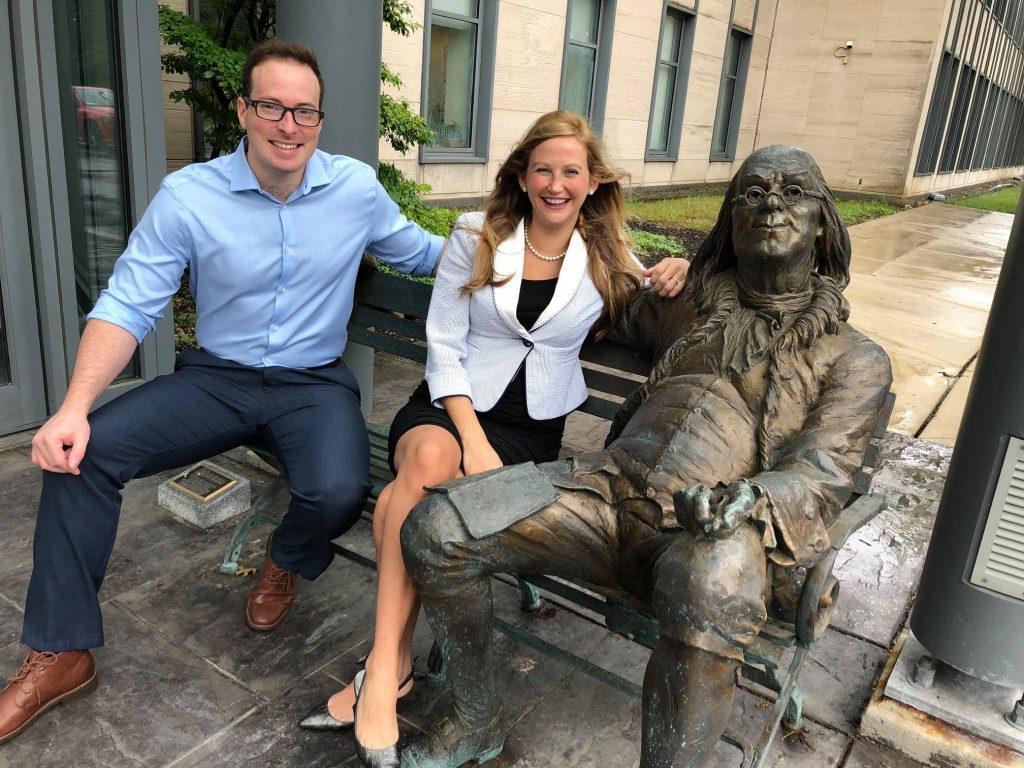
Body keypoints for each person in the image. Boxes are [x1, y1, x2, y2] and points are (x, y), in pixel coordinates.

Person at [0, 38, 444, 746]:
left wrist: (553, 248)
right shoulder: (190, 195)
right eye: (271, 106)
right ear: (243, 109)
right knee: (83, 455)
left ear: (320, 121)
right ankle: (63, 652)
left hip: (311, 385)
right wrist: (73, 408)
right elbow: (127, 302)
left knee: (337, 491)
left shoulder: (355, 189)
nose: (288, 125)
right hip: (216, 378)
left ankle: (286, 559)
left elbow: (423, 251)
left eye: (304, 111)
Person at [398, 145, 893, 768]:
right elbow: (592, 297)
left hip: (705, 533)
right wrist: (660, 271)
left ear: (824, 222)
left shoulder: (855, 359)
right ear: (729, 220)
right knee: (439, 527)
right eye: (753, 192)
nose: (771, 203)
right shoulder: (687, 303)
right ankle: (474, 720)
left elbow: (824, 472)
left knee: (713, 576)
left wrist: (755, 498)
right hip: (598, 492)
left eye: (793, 192)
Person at [296, 110, 689, 768]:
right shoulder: (477, 234)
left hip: (528, 428)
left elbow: (667, 293)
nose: (557, 184)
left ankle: (384, 673)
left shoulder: (608, 256)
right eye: (544, 169)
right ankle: (385, 674)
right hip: (452, 403)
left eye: (572, 171)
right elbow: (444, 345)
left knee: (411, 494)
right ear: (523, 175)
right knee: (426, 465)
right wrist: (471, 442)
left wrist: (679, 268)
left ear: (592, 182)